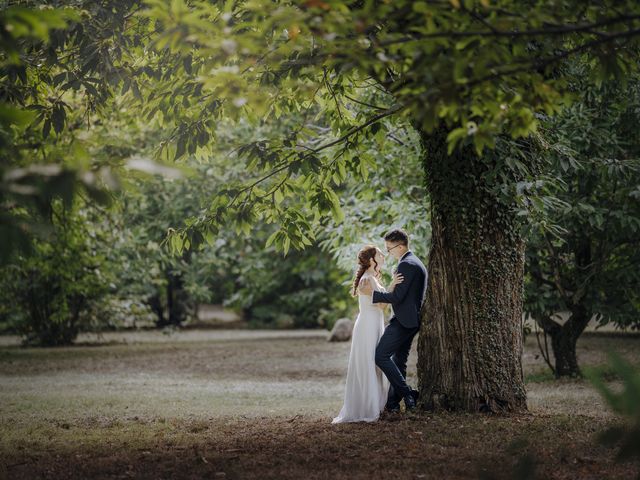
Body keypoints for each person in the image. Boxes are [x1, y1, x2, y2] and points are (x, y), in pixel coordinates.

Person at [332, 245, 404, 423]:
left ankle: (376, 404)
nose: (383, 255)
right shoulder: (367, 280)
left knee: (375, 363)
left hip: (374, 324)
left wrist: (389, 286)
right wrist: (393, 285)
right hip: (367, 327)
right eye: (379, 253)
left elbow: (382, 302)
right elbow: (381, 304)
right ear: (372, 259)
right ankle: (367, 406)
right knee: (368, 363)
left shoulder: (373, 278)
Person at [359, 229, 428, 413]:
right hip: (410, 320)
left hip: (402, 321)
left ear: (400, 246)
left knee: (380, 355)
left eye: (389, 249)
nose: (388, 253)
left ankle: (408, 394)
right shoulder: (415, 262)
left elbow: (396, 297)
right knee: (399, 362)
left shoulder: (407, 264)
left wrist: (372, 293)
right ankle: (392, 404)